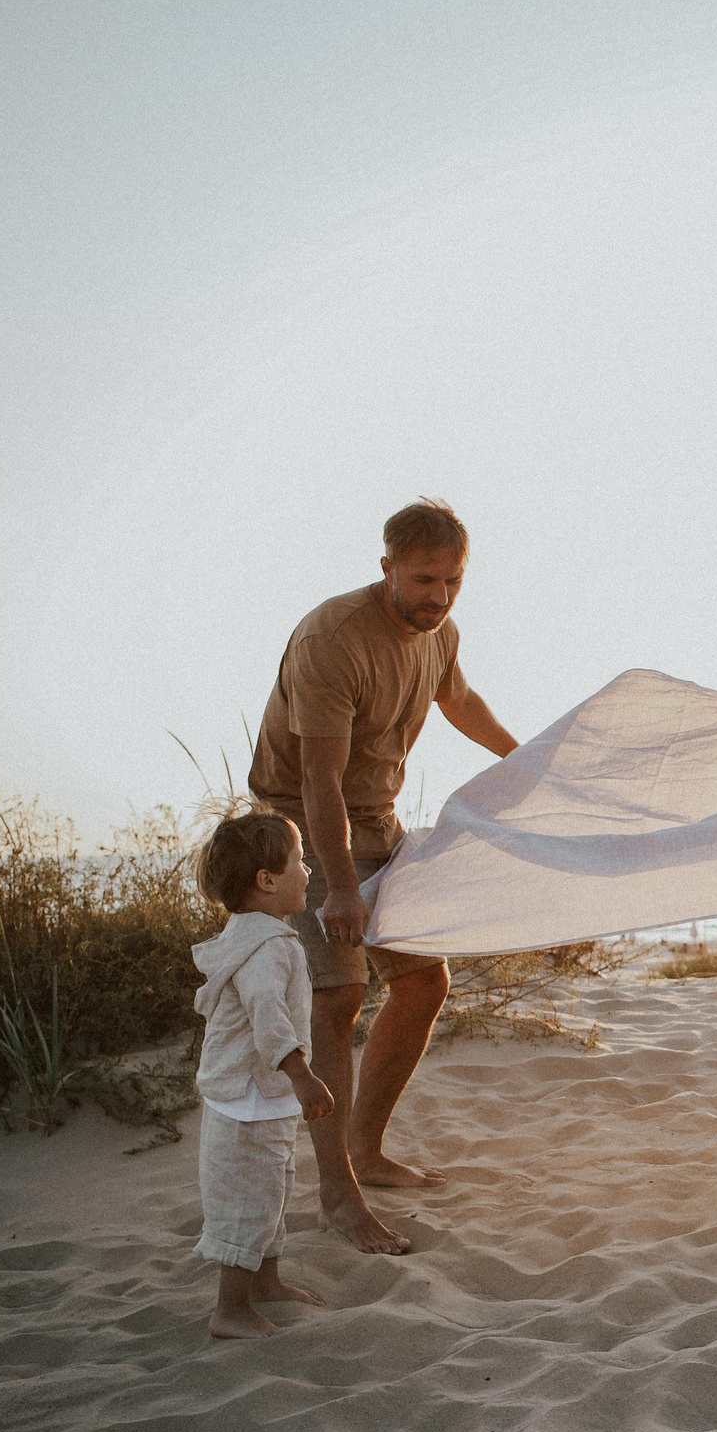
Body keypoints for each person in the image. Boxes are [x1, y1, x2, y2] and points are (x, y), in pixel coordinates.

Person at [246, 498, 521, 1254]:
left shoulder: (440, 633)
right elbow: (317, 779)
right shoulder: (332, 639)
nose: (438, 595)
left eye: (453, 581)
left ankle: (365, 1151)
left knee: (425, 983)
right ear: (387, 568)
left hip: (378, 821)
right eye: (424, 578)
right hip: (294, 826)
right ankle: (339, 1194)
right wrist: (335, 887)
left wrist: (525, 760)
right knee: (338, 995)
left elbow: (459, 700)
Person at [191, 812, 335, 1337]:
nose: (309, 871)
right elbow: (267, 1016)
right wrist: (302, 1074)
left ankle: (266, 1283)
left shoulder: (259, 933)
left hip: (260, 1095)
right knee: (246, 1200)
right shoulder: (266, 946)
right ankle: (230, 1309)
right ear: (266, 880)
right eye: (299, 861)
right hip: (249, 1098)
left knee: (272, 1190)